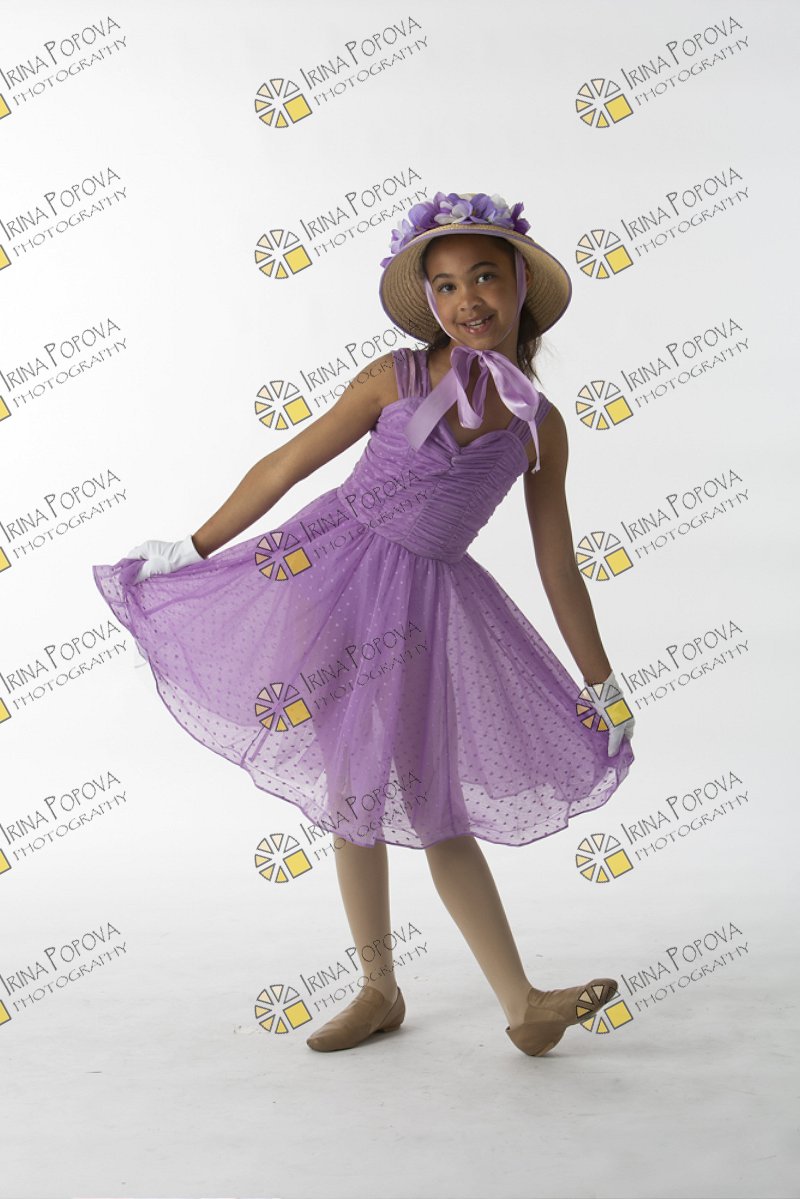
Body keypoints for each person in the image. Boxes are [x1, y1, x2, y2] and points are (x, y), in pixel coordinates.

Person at [92, 190, 636, 1058]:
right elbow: (287, 462)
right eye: (446, 285)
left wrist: (601, 680)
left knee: (435, 803)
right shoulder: (396, 377)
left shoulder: (541, 427)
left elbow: (557, 562)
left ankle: (523, 1003)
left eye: (485, 278)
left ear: (521, 286)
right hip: (326, 579)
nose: (467, 301)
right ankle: (379, 985)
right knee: (354, 790)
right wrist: (194, 546)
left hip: (427, 610)